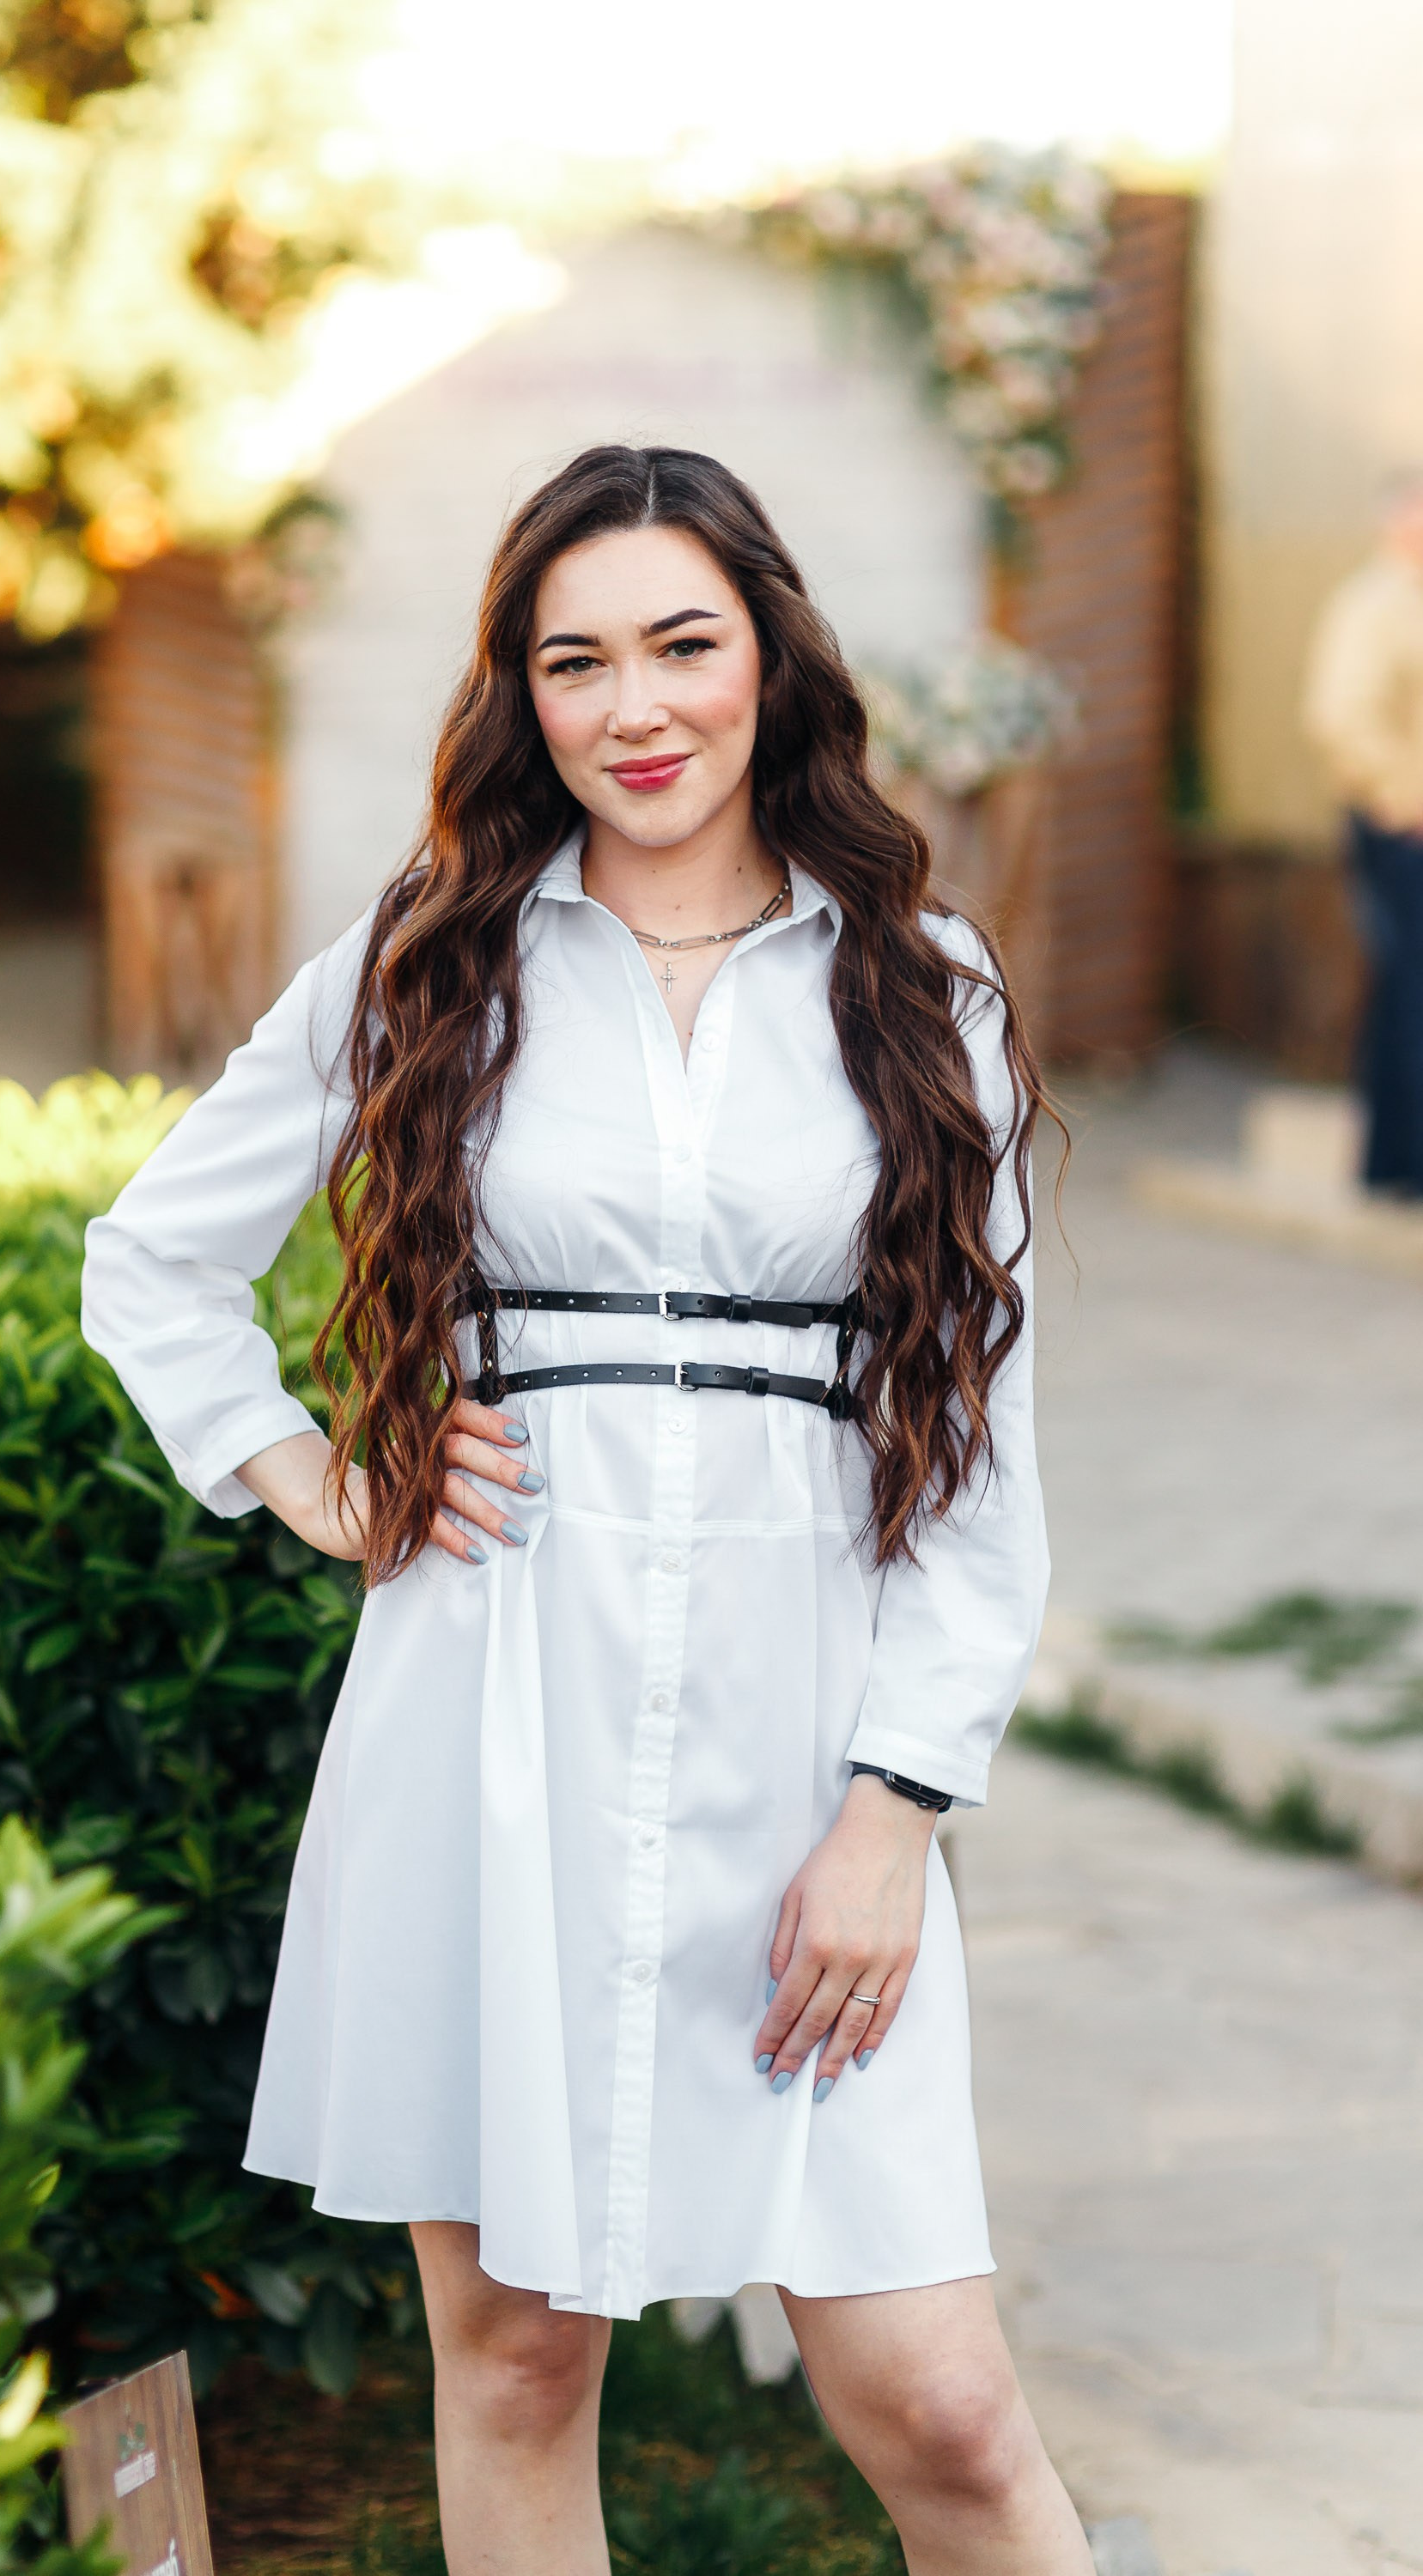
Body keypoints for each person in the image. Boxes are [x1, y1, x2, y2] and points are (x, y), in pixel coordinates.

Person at [82, 446, 1087, 2575]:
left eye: (679, 644)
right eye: (573, 660)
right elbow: (150, 1253)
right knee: (518, 2358)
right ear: (518, 695)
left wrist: (894, 1809)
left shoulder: (921, 979)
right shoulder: (426, 955)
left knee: (944, 2403)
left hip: (805, 1751)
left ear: (766, 657)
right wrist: (311, 1473)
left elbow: (978, 1452)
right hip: (494, 1730)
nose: (634, 706)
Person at [1303, 471, 1423, 1192]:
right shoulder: (1374, 604)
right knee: (1410, 987)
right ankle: (1402, 1163)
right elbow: (1342, 716)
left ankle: (1398, 1162)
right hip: (1399, 825)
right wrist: (1408, 801)